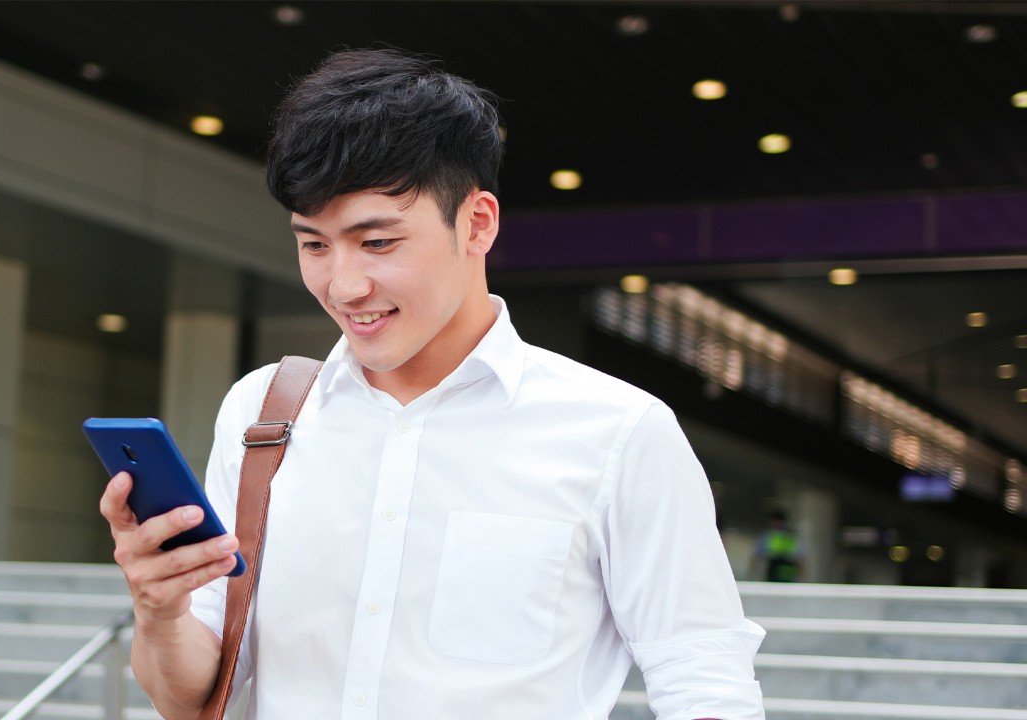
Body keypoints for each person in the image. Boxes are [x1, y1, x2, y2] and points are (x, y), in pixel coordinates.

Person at [100, 48, 766, 720]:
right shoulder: (263, 414)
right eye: (314, 244)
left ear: (477, 223)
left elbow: (705, 681)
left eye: (378, 243)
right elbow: (189, 698)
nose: (343, 285)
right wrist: (160, 610)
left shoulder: (618, 432)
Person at [753, 508, 803, 582]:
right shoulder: (768, 535)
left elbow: (800, 559)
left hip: (785, 571)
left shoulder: (769, 535)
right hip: (779, 570)